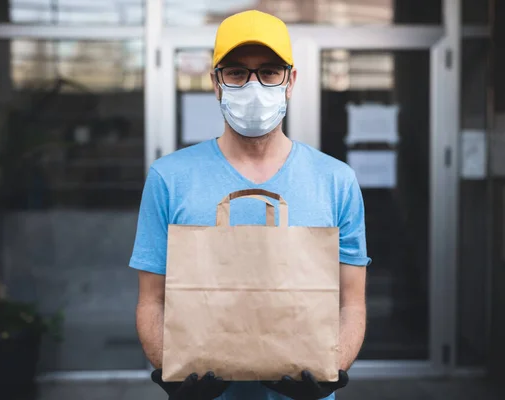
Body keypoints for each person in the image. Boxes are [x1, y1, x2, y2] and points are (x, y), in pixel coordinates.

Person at [129, 9, 371, 400]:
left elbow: (352, 301)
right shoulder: (169, 178)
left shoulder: (336, 181)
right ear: (216, 82)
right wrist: (170, 368)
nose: (254, 86)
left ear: (291, 81)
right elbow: (151, 299)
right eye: (237, 72)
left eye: (270, 72)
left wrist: (333, 366)